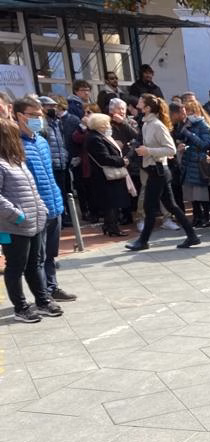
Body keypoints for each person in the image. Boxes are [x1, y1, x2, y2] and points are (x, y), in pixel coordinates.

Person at [0, 119, 63, 322]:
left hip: (34, 223)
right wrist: (17, 215)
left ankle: (42, 301)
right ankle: (21, 307)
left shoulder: (16, 161)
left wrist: (41, 209)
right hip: (13, 226)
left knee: (34, 264)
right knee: (15, 266)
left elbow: (32, 190)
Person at [14, 96, 75, 302]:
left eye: (40, 115)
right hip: (35, 208)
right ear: (20, 116)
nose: (39, 119)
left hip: (53, 203)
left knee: (50, 254)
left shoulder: (41, 140)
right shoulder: (15, 144)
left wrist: (57, 200)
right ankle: (43, 296)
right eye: (33, 115)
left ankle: (52, 286)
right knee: (37, 257)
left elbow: (49, 173)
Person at [124, 95, 201, 251]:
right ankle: (192, 236)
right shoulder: (146, 124)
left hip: (158, 170)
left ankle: (143, 241)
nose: (137, 104)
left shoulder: (157, 125)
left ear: (147, 108)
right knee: (171, 206)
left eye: (141, 102)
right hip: (154, 169)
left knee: (150, 207)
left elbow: (171, 149)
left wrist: (148, 151)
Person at [83, 113, 133, 237]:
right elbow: (103, 158)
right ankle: (112, 227)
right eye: (107, 124)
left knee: (112, 202)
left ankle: (109, 225)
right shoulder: (95, 139)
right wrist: (122, 161)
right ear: (100, 125)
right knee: (111, 203)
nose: (109, 126)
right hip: (105, 176)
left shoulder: (98, 136)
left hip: (107, 176)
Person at [170, 101, 210, 228]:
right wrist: (180, 145)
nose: (185, 114)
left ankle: (207, 217)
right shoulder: (179, 126)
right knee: (191, 193)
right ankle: (197, 217)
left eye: (187, 111)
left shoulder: (200, 124)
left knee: (201, 192)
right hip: (187, 162)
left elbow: (205, 144)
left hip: (198, 162)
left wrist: (189, 134)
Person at [108, 98, 140, 225]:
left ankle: (135, 213)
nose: (122, 111)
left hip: (132, 160)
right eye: (119, 108)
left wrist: (123, 123)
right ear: (112, 110)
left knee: (134, 188)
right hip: (117, 159)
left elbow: (137, 136)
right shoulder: (108, 123)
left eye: (123, 109)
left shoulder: (130, 122)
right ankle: (125, 215)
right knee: (122, 189)